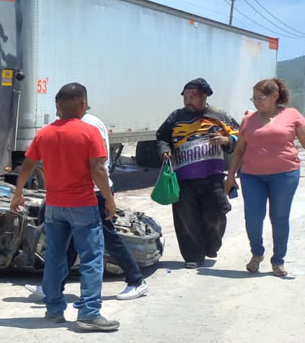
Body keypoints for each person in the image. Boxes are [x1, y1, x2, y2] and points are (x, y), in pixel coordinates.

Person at [11, 83, 119, 332]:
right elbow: (98, 169)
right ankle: (90, 313)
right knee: (91, 258)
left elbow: (27, 166)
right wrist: (110, 199)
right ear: (82, 104)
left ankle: (54, 309)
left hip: (54, 206)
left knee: (55, 257)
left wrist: (17, 194)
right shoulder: (89, 132)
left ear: (58, 105)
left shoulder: (44, 134)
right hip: (82, 204)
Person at [24, 111, 149, 301]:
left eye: (61, 106)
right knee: (70, 243)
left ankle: (136, 281)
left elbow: (99, 165)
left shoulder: (90, 125)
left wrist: (108, 198)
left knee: (107, 238)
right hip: (81, 193)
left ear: (78, 103)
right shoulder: (74, 125)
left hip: (94, 192)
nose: (58, 112)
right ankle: (54, 286)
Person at [224, 78, 305, 277]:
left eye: (260, 97)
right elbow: (240, 149)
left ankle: (278, 261)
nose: (256, 102)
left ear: (275, 96)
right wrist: (230, 176)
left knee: (279, 218)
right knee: (252, 217)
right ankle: (257, 254)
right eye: (253, 98)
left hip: (285, 175)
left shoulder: (292, 115)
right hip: (252, 176)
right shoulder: (248, 119)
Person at [156, 78, 238, 269]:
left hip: (213, 177)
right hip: (184, 179)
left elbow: (240, 135)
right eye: (185, 97)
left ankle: (211, 245)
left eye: (192, 97)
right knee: (186, 219)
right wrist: (164, 149)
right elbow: (161, 138)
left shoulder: (220, 116)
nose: (187, 101)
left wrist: (226, 140)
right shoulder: (175, 117)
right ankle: (193, 255)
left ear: (204, 96)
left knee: (217, 214)